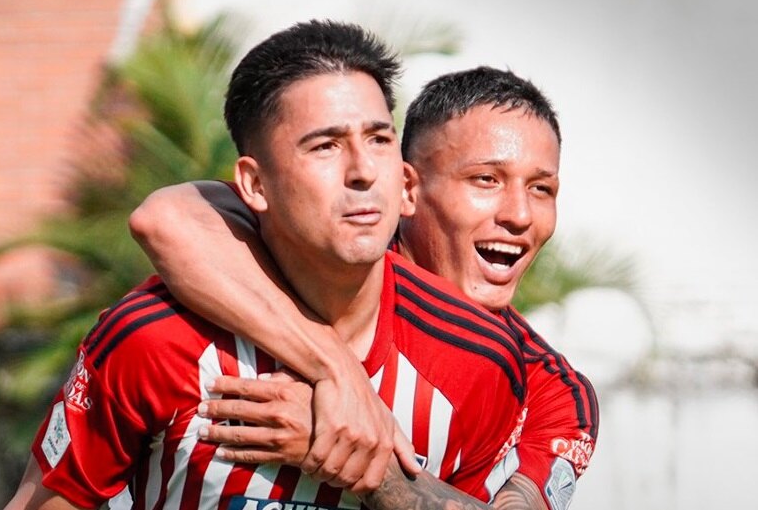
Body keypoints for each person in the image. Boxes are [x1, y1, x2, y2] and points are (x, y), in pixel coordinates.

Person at [5, 20, 528, 510]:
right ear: (255, 185)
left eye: (378, 138)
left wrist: (375, 472)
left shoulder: (479, 361)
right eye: (325, 146)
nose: (363, 171)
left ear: (406, 178)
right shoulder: (153, 341)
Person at [129, 67, 598, 509]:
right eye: (486, 180)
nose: (519, 215)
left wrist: (361, 457)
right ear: (406, 188)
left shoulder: (556, 394)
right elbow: (165, 218)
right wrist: (340, 372)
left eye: (542, 189)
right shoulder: (323, 247)